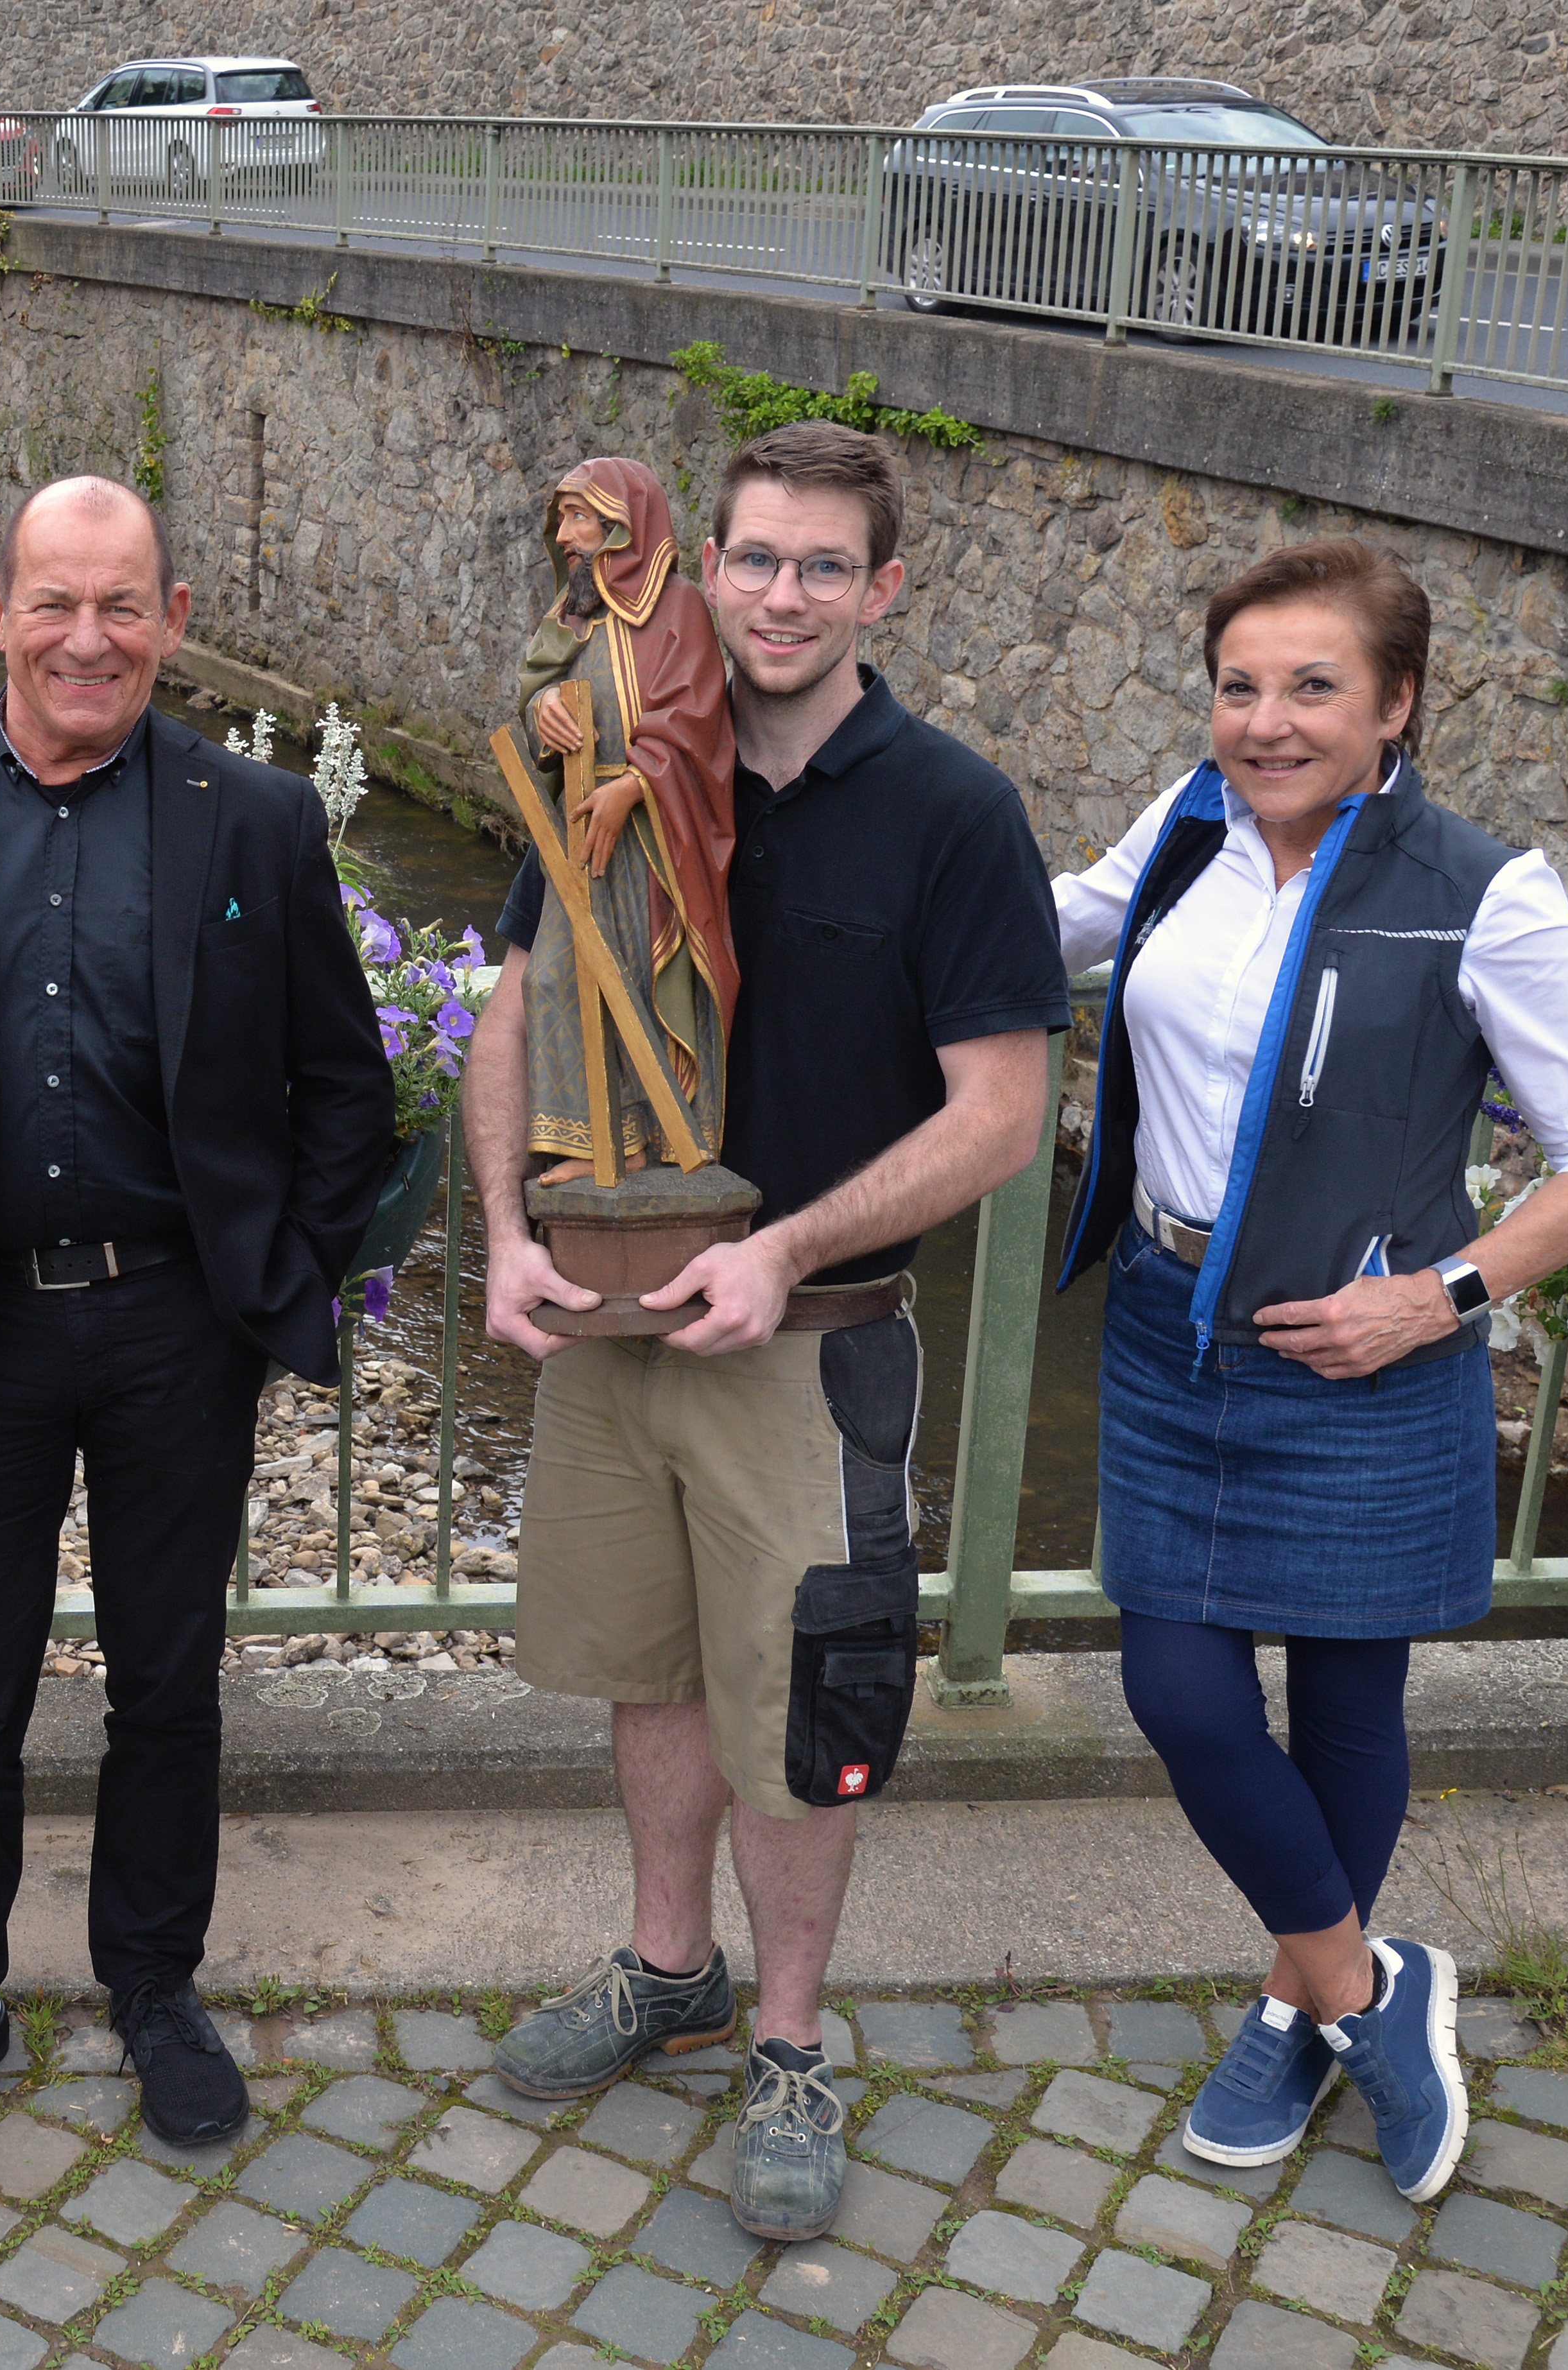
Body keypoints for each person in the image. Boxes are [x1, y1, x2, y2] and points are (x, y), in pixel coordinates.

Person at [466, 422, 1072, 2242]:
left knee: (798, 1711)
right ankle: (671, 1970)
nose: (783, 594)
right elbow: (516, 1003)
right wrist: (502, 1233)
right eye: (755, 559)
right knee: (652, 1674)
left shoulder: (950, 809)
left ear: (882, 589)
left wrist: (782, 1243)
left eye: (824, 566)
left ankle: (792, 2038)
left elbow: (997, 1114)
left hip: (810, 1346)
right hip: (613, 1328)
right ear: (699, 569)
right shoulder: (637, 753)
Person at [0, 474, 392, 2165]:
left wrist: (275, 1283)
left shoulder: (254, 817)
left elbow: (348, 1082)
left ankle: (154, 1984)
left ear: (173, 619)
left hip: (182, 1324)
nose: (88, 637)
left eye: (124, 605)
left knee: (168, 1679)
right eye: (57, 600)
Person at [1049, 537, 1568, 2202]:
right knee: (1178, 1691)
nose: (1265, 719)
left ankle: (1287, 2005)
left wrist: (1442, 1296)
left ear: (1396, 704)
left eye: (1312, 685)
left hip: (1362, 1361)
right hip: (1178, 1336)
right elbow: (1041, 938)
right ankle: (1370, 1986)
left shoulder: (1480, 887)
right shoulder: (1183, 831)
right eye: (1239, 683)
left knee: (1344, 1702)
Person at [513, 457, 741, 1181]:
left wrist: (636, 784)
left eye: (578, 517)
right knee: (551, 978)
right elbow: (537, 691)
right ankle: (594, 1139)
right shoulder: (571, 614)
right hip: (580, 824)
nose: (564, 534)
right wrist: (540, 712)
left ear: (623, 525)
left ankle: (642, 1139)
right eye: (562, 518)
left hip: (652, 838)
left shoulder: (677, 611)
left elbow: (697, 719)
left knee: (640, 981)